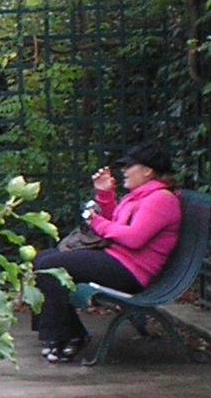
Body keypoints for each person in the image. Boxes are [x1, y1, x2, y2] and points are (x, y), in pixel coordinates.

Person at [32, 141, 182, 365]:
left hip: (131, 271)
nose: (123, 171)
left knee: (50, 266)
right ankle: (59, 332)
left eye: (129, 166)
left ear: (147, 170)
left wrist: (96, 222)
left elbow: (133, 237)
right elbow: (117, 223)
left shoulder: (160, 199)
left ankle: (69, 335)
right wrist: (105, 195)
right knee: (42, 259)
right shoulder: (139, 196)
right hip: (116, 261)